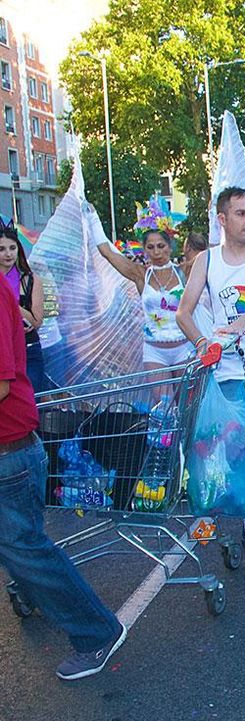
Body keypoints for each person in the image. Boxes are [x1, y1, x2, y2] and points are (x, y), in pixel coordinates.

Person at [0, 279, 127, 680]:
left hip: (10, 451)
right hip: (12, 448)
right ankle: (41, 593)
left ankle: (96, 633)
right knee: (24, 548)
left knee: (26, 548)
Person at [176, 187, 245, 557]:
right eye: (241, 214)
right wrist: (202, 345)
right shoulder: (207, 261)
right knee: (237, 450)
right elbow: (184, 312)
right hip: (227, 372)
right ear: (221, 219)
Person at [89, 218, 191, 372]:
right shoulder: (140, 274)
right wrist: (93, 219)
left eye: (161, 246)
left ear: (170, 247)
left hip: (184, 348)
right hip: (155, 351)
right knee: (163, 397)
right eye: (150, 247)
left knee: (188, 397)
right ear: (145, 250)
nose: (156, 252)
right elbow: (108, 253)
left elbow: (212, 255)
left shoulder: (184, 271)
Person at [0, 219, 46, 391]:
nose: (8, 254)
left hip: (29, 352)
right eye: (2, 249)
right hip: (3, 352)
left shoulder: (30, 280)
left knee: (32, 403)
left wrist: (10, 304)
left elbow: (36, 321)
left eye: (12, 248)